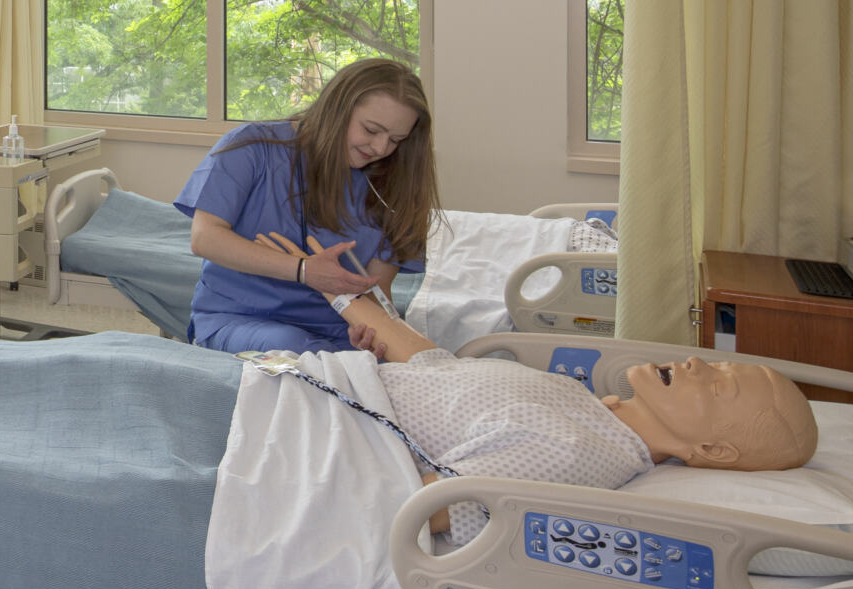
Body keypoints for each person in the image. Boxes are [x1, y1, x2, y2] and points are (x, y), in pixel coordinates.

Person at [268, 239, 818, 542]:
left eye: (720, 385)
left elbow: (419, 505)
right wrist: (332, 288)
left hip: (292, 426)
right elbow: (434, 364)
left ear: (711, 452)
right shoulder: (582, 408)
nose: (699, 360)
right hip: (302, 387)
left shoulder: (576, 452)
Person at [176, 57, 437, 353]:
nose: (380, 148)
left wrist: (365, 333)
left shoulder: (395, 184)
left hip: (336, 332)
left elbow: (376, 294)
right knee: (295, 351)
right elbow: (205, 238)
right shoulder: (252, 148)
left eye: (396, 139)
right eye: (371, 130)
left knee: (390, 370)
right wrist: (303, 270)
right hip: (240, 320)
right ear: (336, 107)